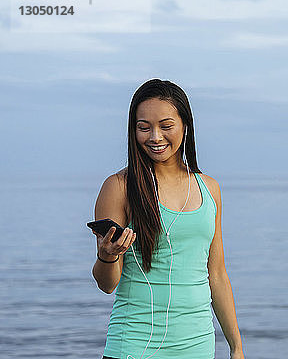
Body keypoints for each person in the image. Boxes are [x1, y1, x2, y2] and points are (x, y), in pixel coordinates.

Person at [91, 79, 244, 359]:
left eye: (166, 125)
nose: (155, 137)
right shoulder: (119, 187)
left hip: (198, 347)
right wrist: (107, 255)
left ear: (185, 126)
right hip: (134, 346)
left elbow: (218, 275)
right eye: (144, 127)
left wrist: (236, 347)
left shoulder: (208, 188)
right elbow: (106, 284)